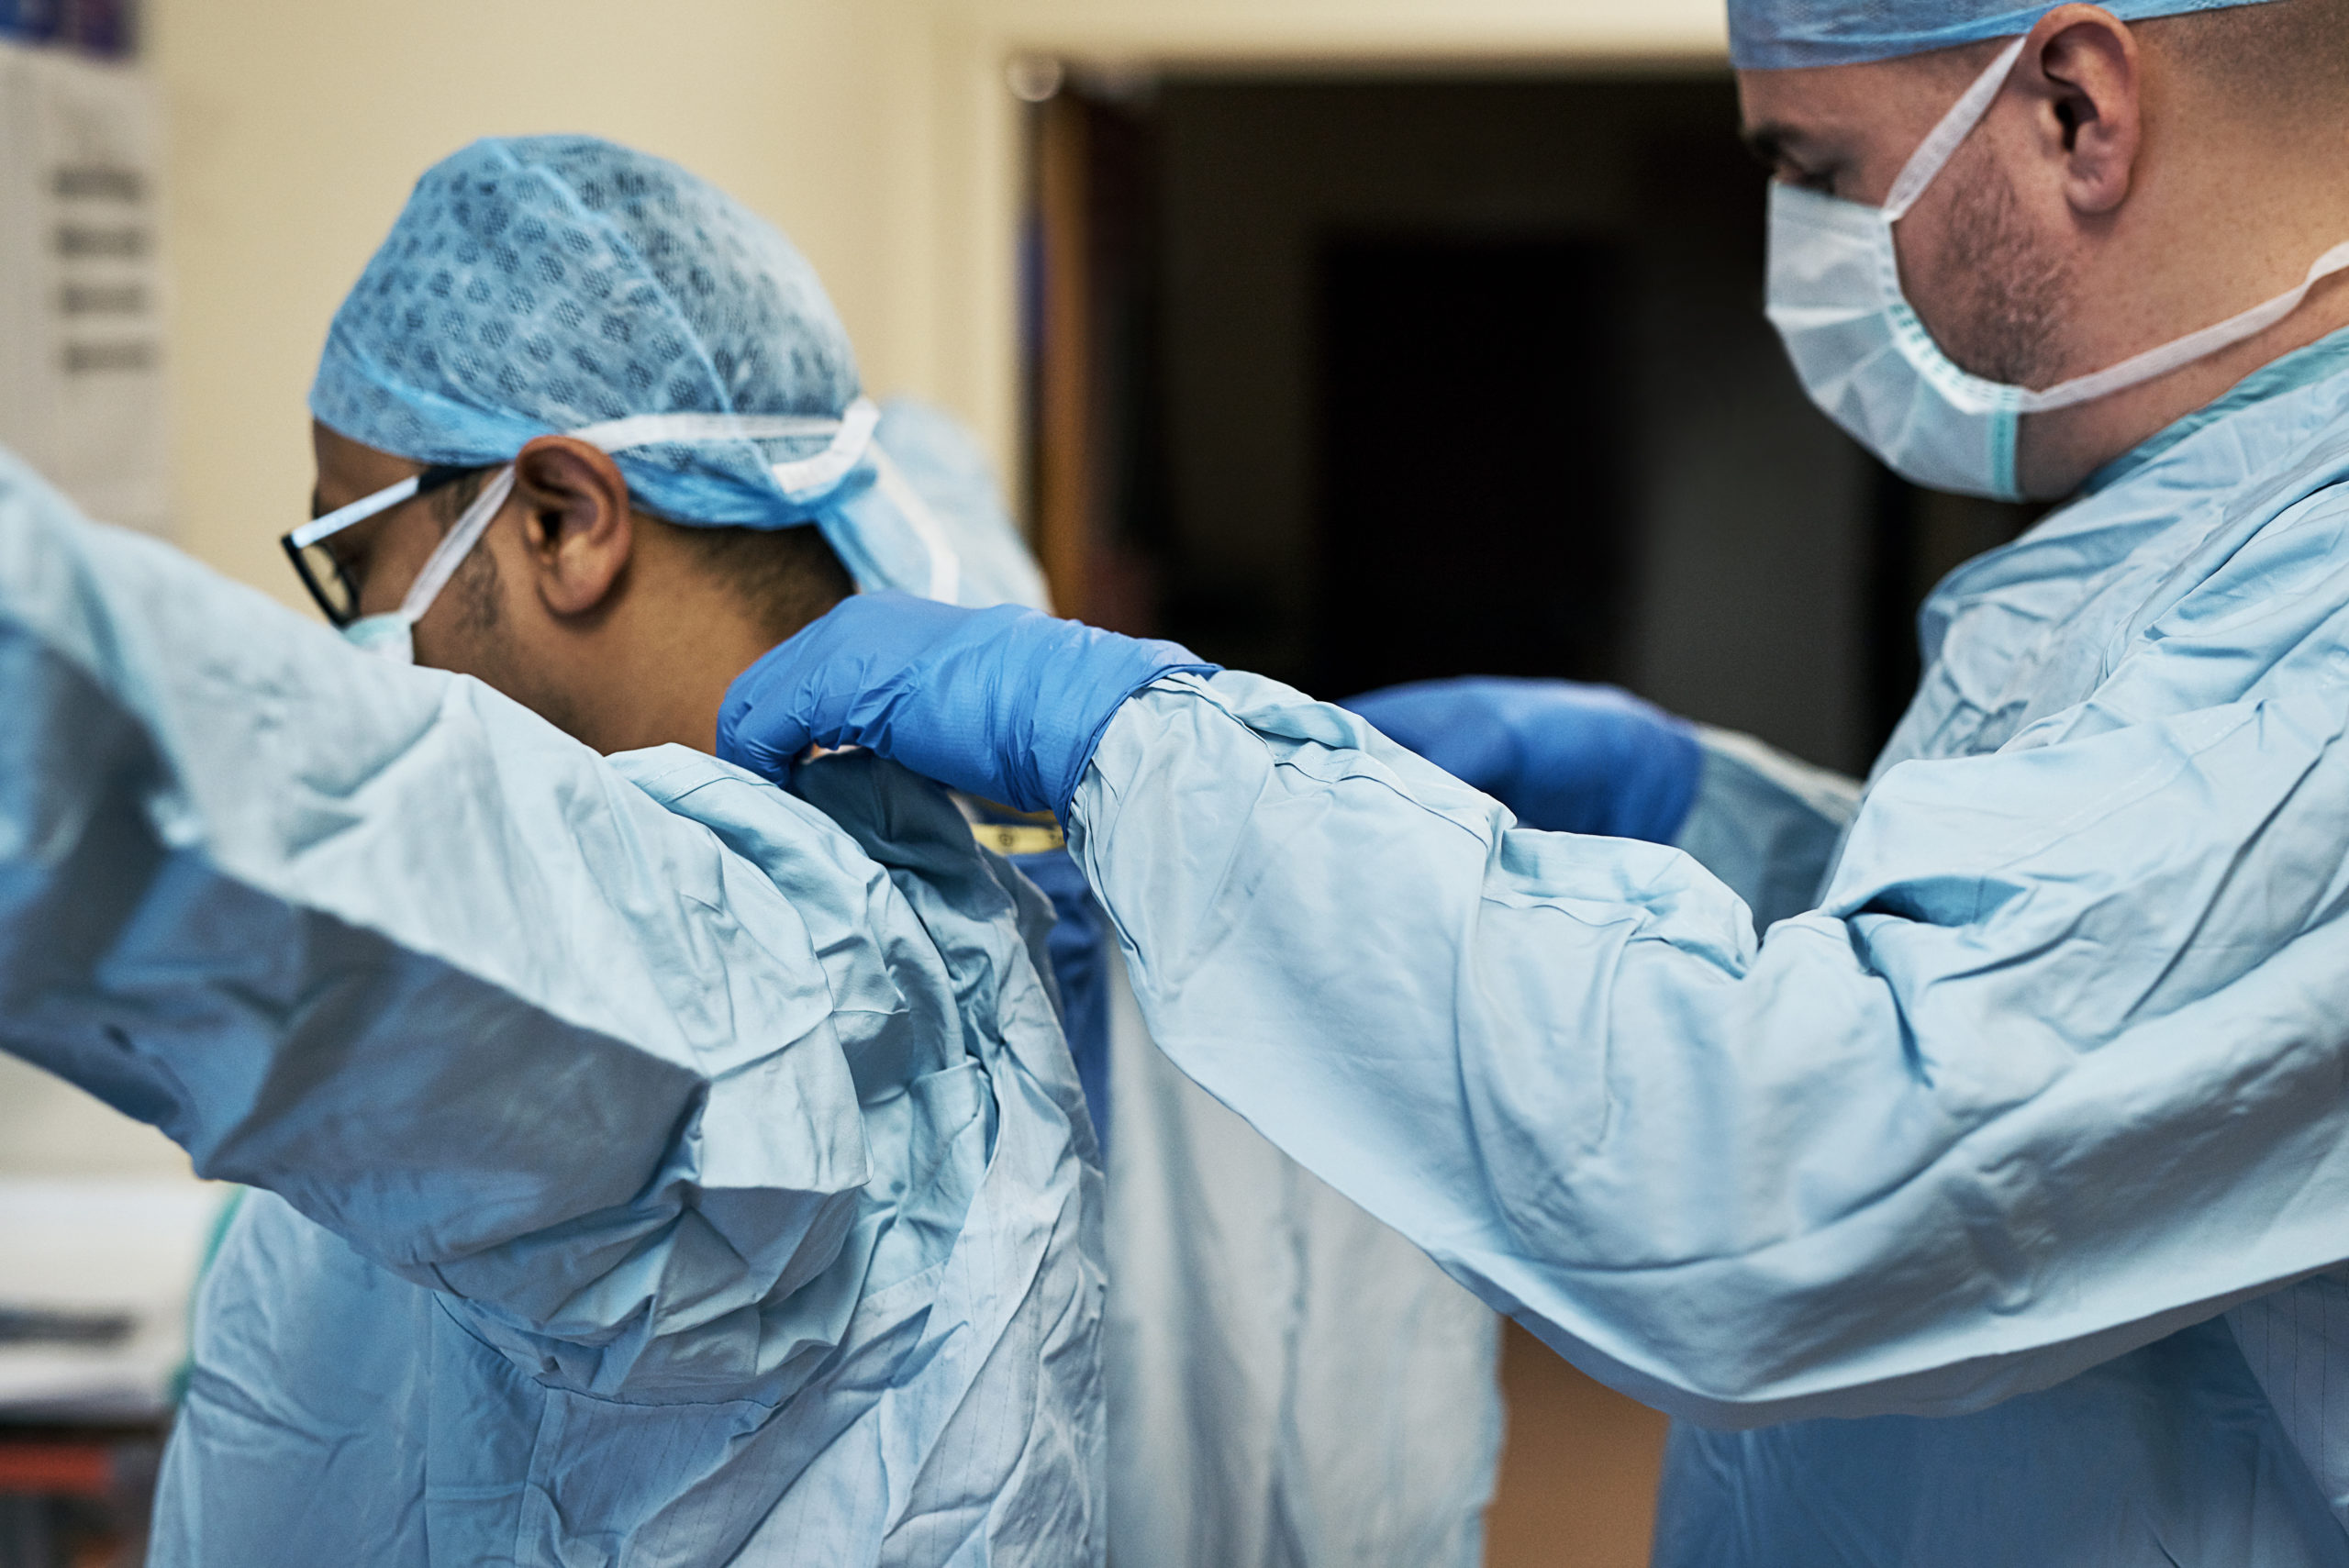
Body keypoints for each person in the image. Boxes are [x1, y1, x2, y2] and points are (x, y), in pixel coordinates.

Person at [715, 0, 2349, 1560]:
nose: (1810, 254)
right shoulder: (2220, 534)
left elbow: (1805, 1176)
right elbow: (2091, 978)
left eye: (1815, 172)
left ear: (2077, 110)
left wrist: (1146, 750)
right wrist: (1713, 822)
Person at [0, 136, 1104, 1566]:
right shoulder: (884, 885)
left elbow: (205, 794)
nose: (359, 622)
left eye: (355, 554)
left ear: (559, 519)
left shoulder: (762, 973)